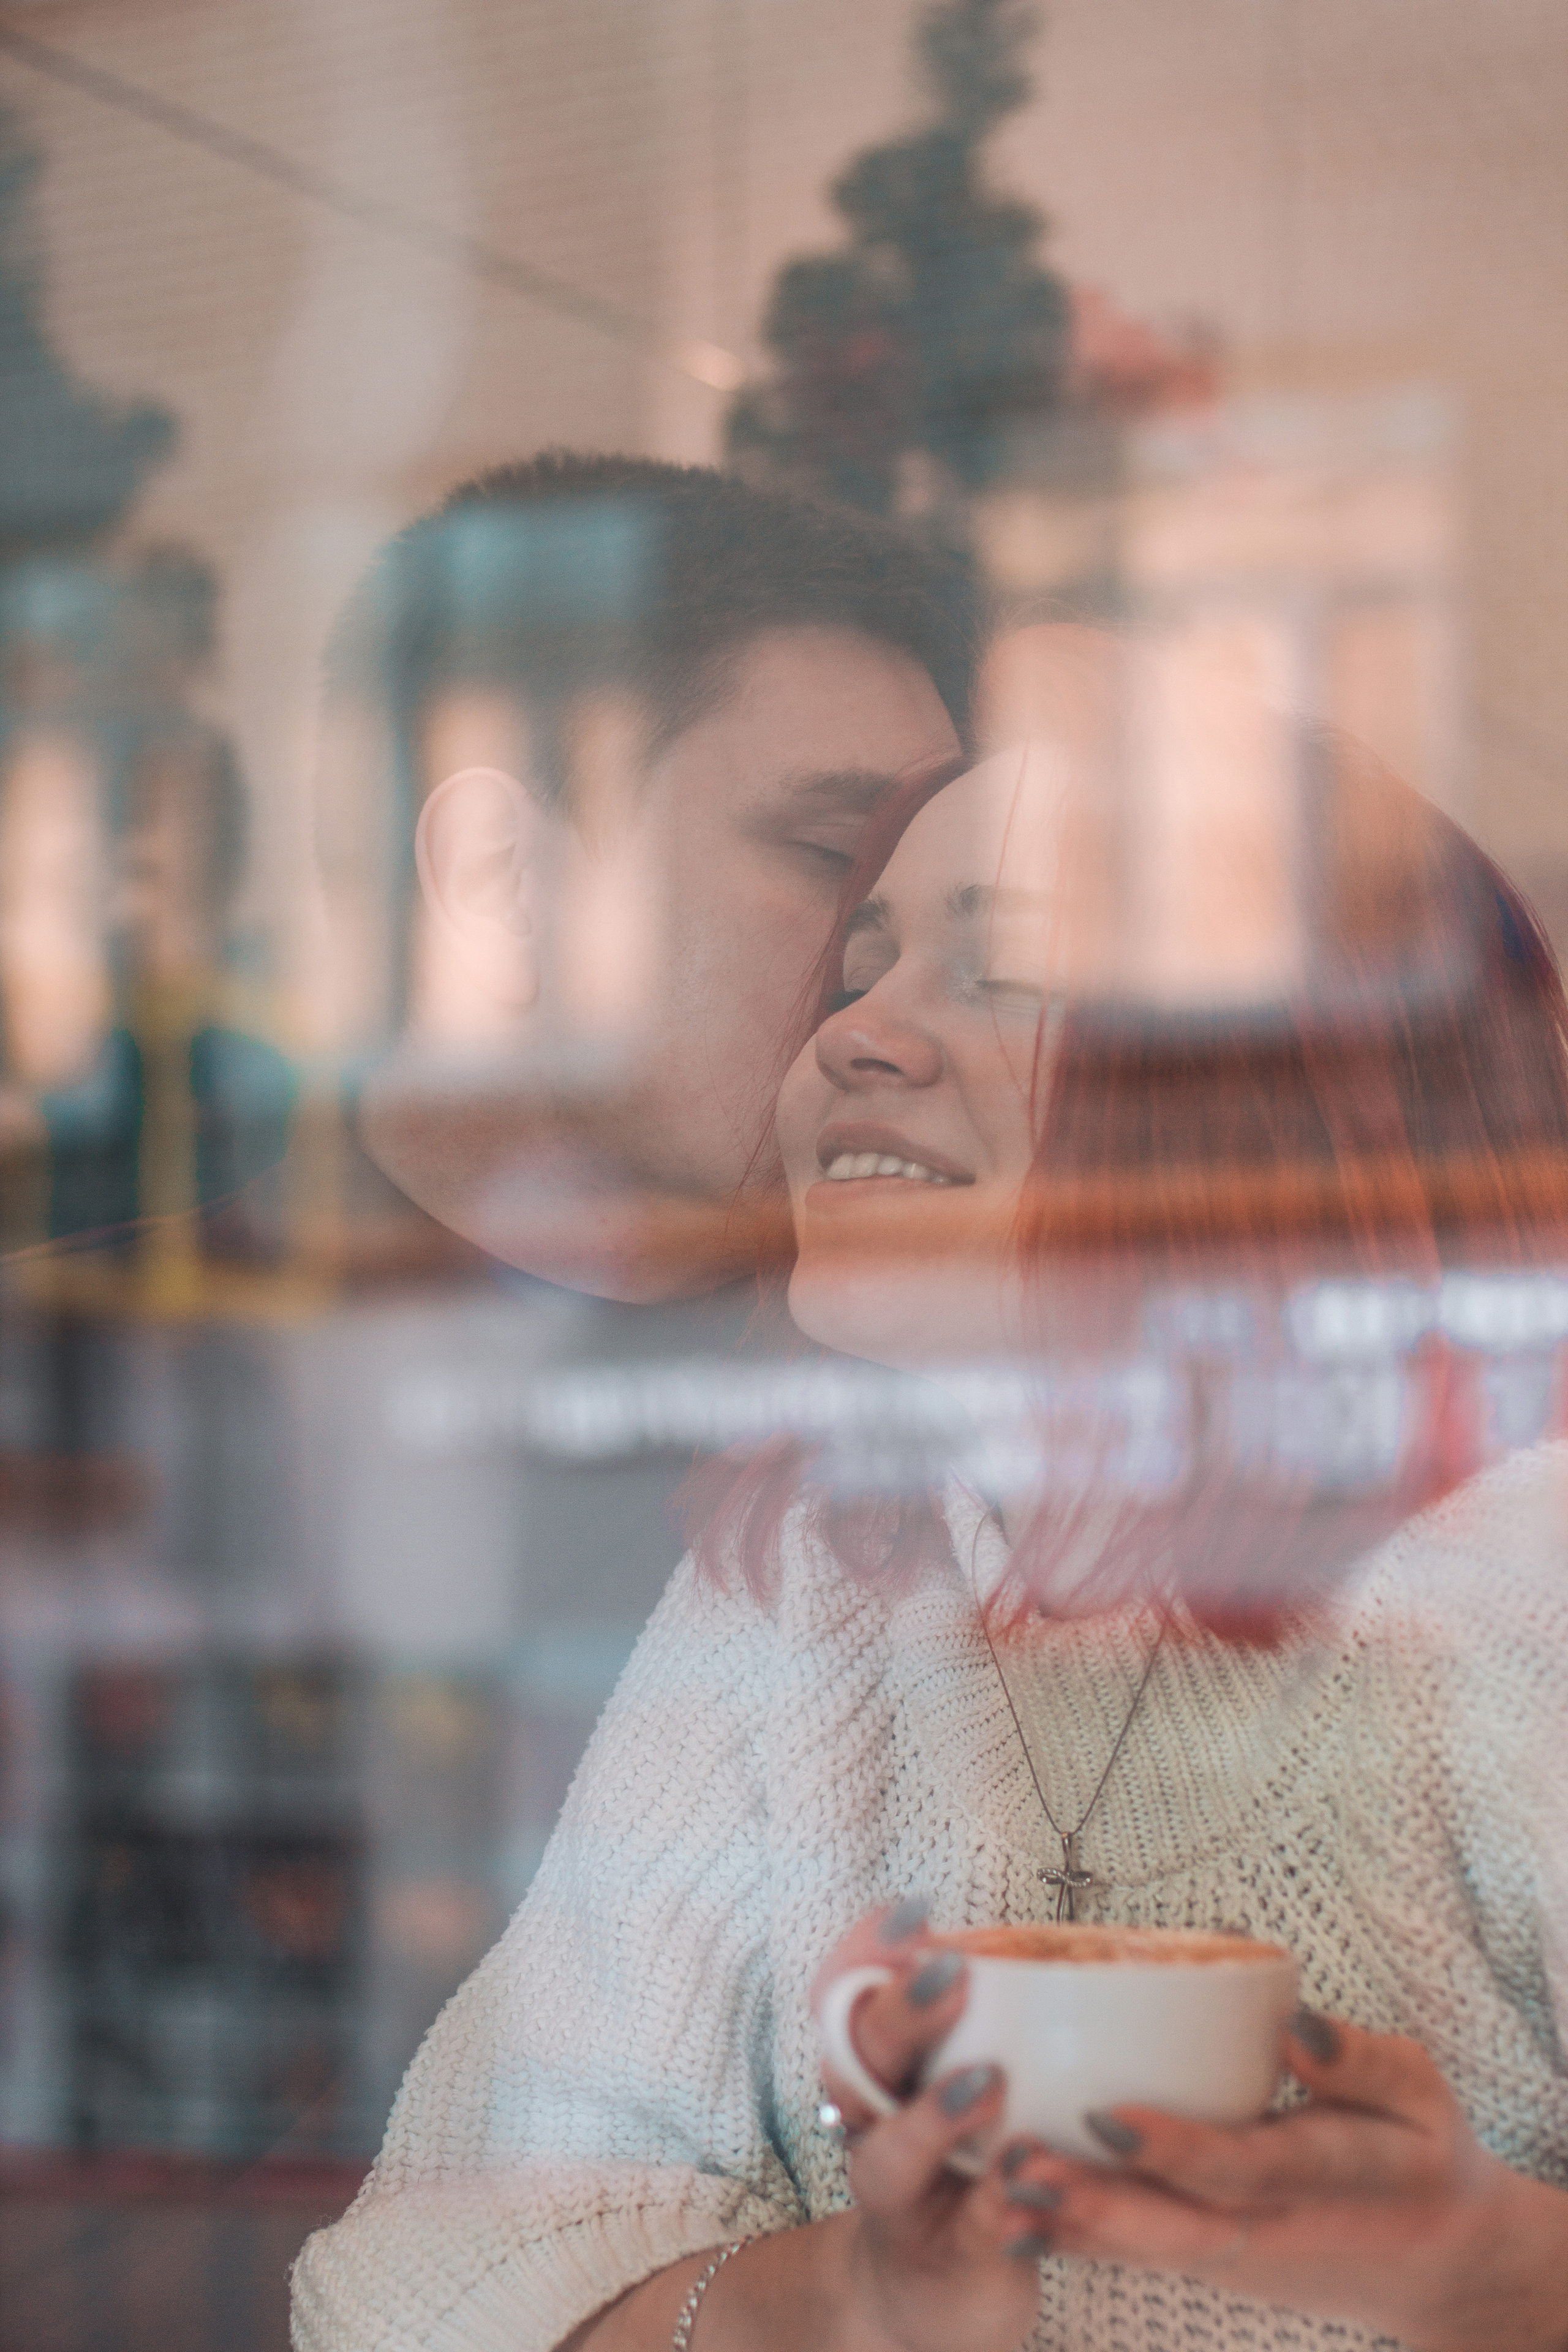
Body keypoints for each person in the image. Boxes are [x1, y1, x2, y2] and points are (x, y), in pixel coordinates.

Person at [292, 732, 1568, 2351]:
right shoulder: (824, 1578)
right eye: (869, 961)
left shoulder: (1528, 1582)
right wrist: (857, 2304)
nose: (859, 1035)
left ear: (1299, 1084)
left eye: (1014, 969)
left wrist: (1503, 2280)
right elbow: (421, 2265)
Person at [323, 451, 975, 1303]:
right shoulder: (142, 1358)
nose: (895, 975)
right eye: (839, 860)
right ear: (504, 885)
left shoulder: (945, 1352)